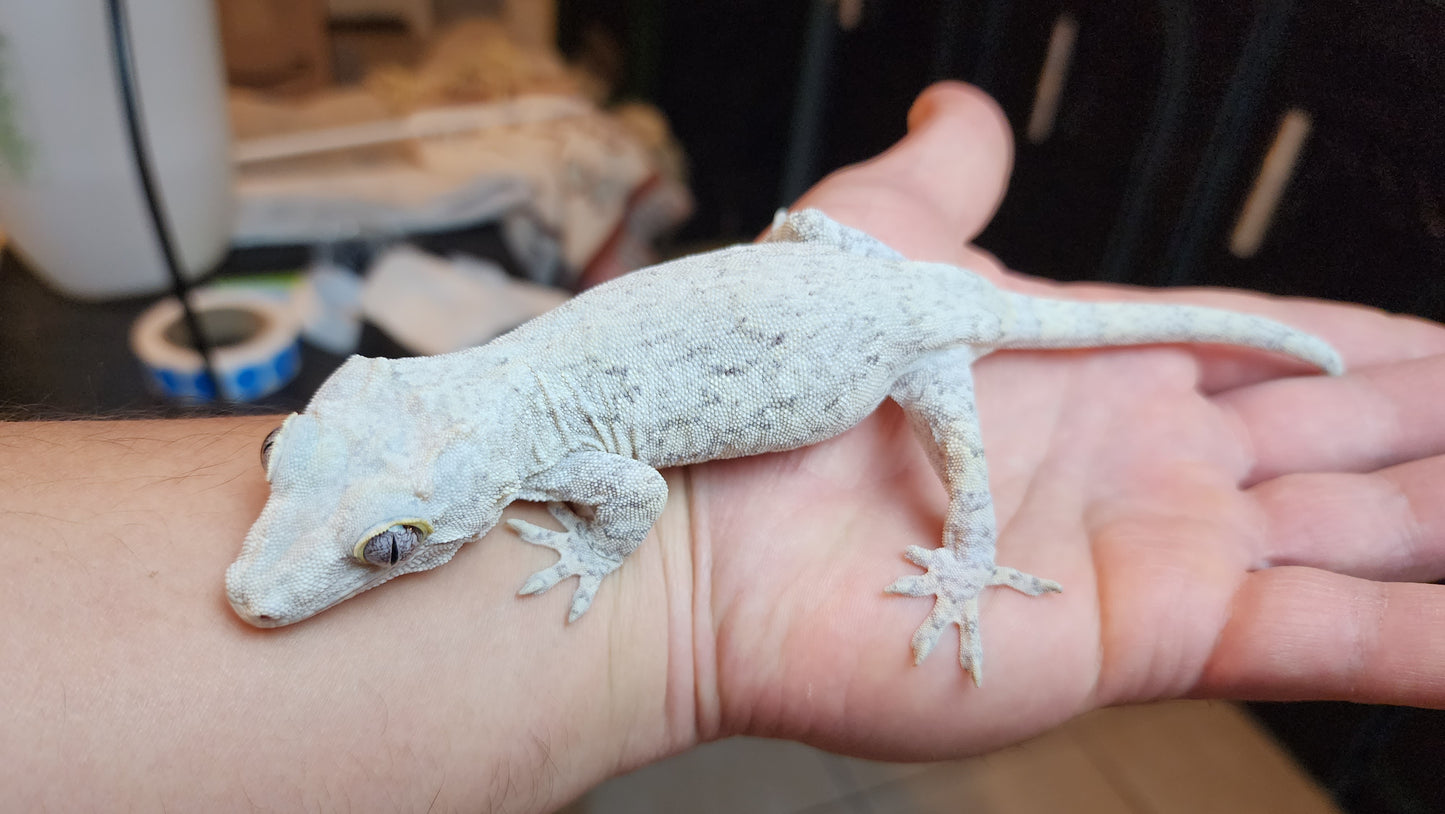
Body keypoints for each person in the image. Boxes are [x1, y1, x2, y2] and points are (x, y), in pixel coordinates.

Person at [3, 82, 1442, 811]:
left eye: (386, 547)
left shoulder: (546, 444)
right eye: (373, 532)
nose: (277, 580)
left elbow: (627, 493)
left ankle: (977, 555)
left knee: (958, 455)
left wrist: (599, 546)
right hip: (829, 275)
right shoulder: (479, 401)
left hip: (895, 326)